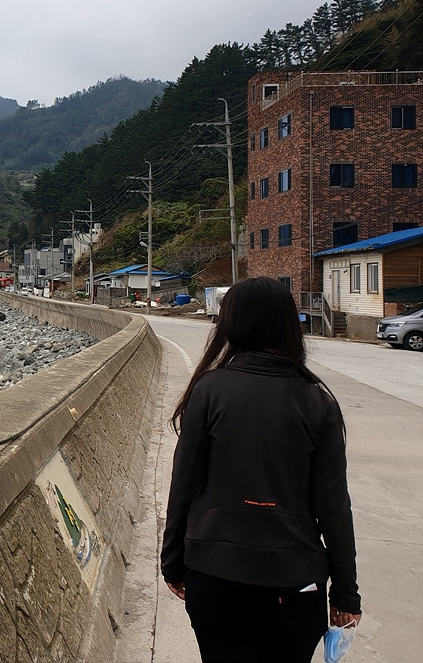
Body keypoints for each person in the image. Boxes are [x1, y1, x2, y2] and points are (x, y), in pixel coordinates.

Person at [160, 276, 361, 662]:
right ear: (288, 325)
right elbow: (334, 507)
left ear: (230, 324)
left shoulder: (209, 390)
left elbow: (183, 485)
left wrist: (173, 562)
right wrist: (345, 593)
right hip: (295, 581)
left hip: (215, 572)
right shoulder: (318, 402)